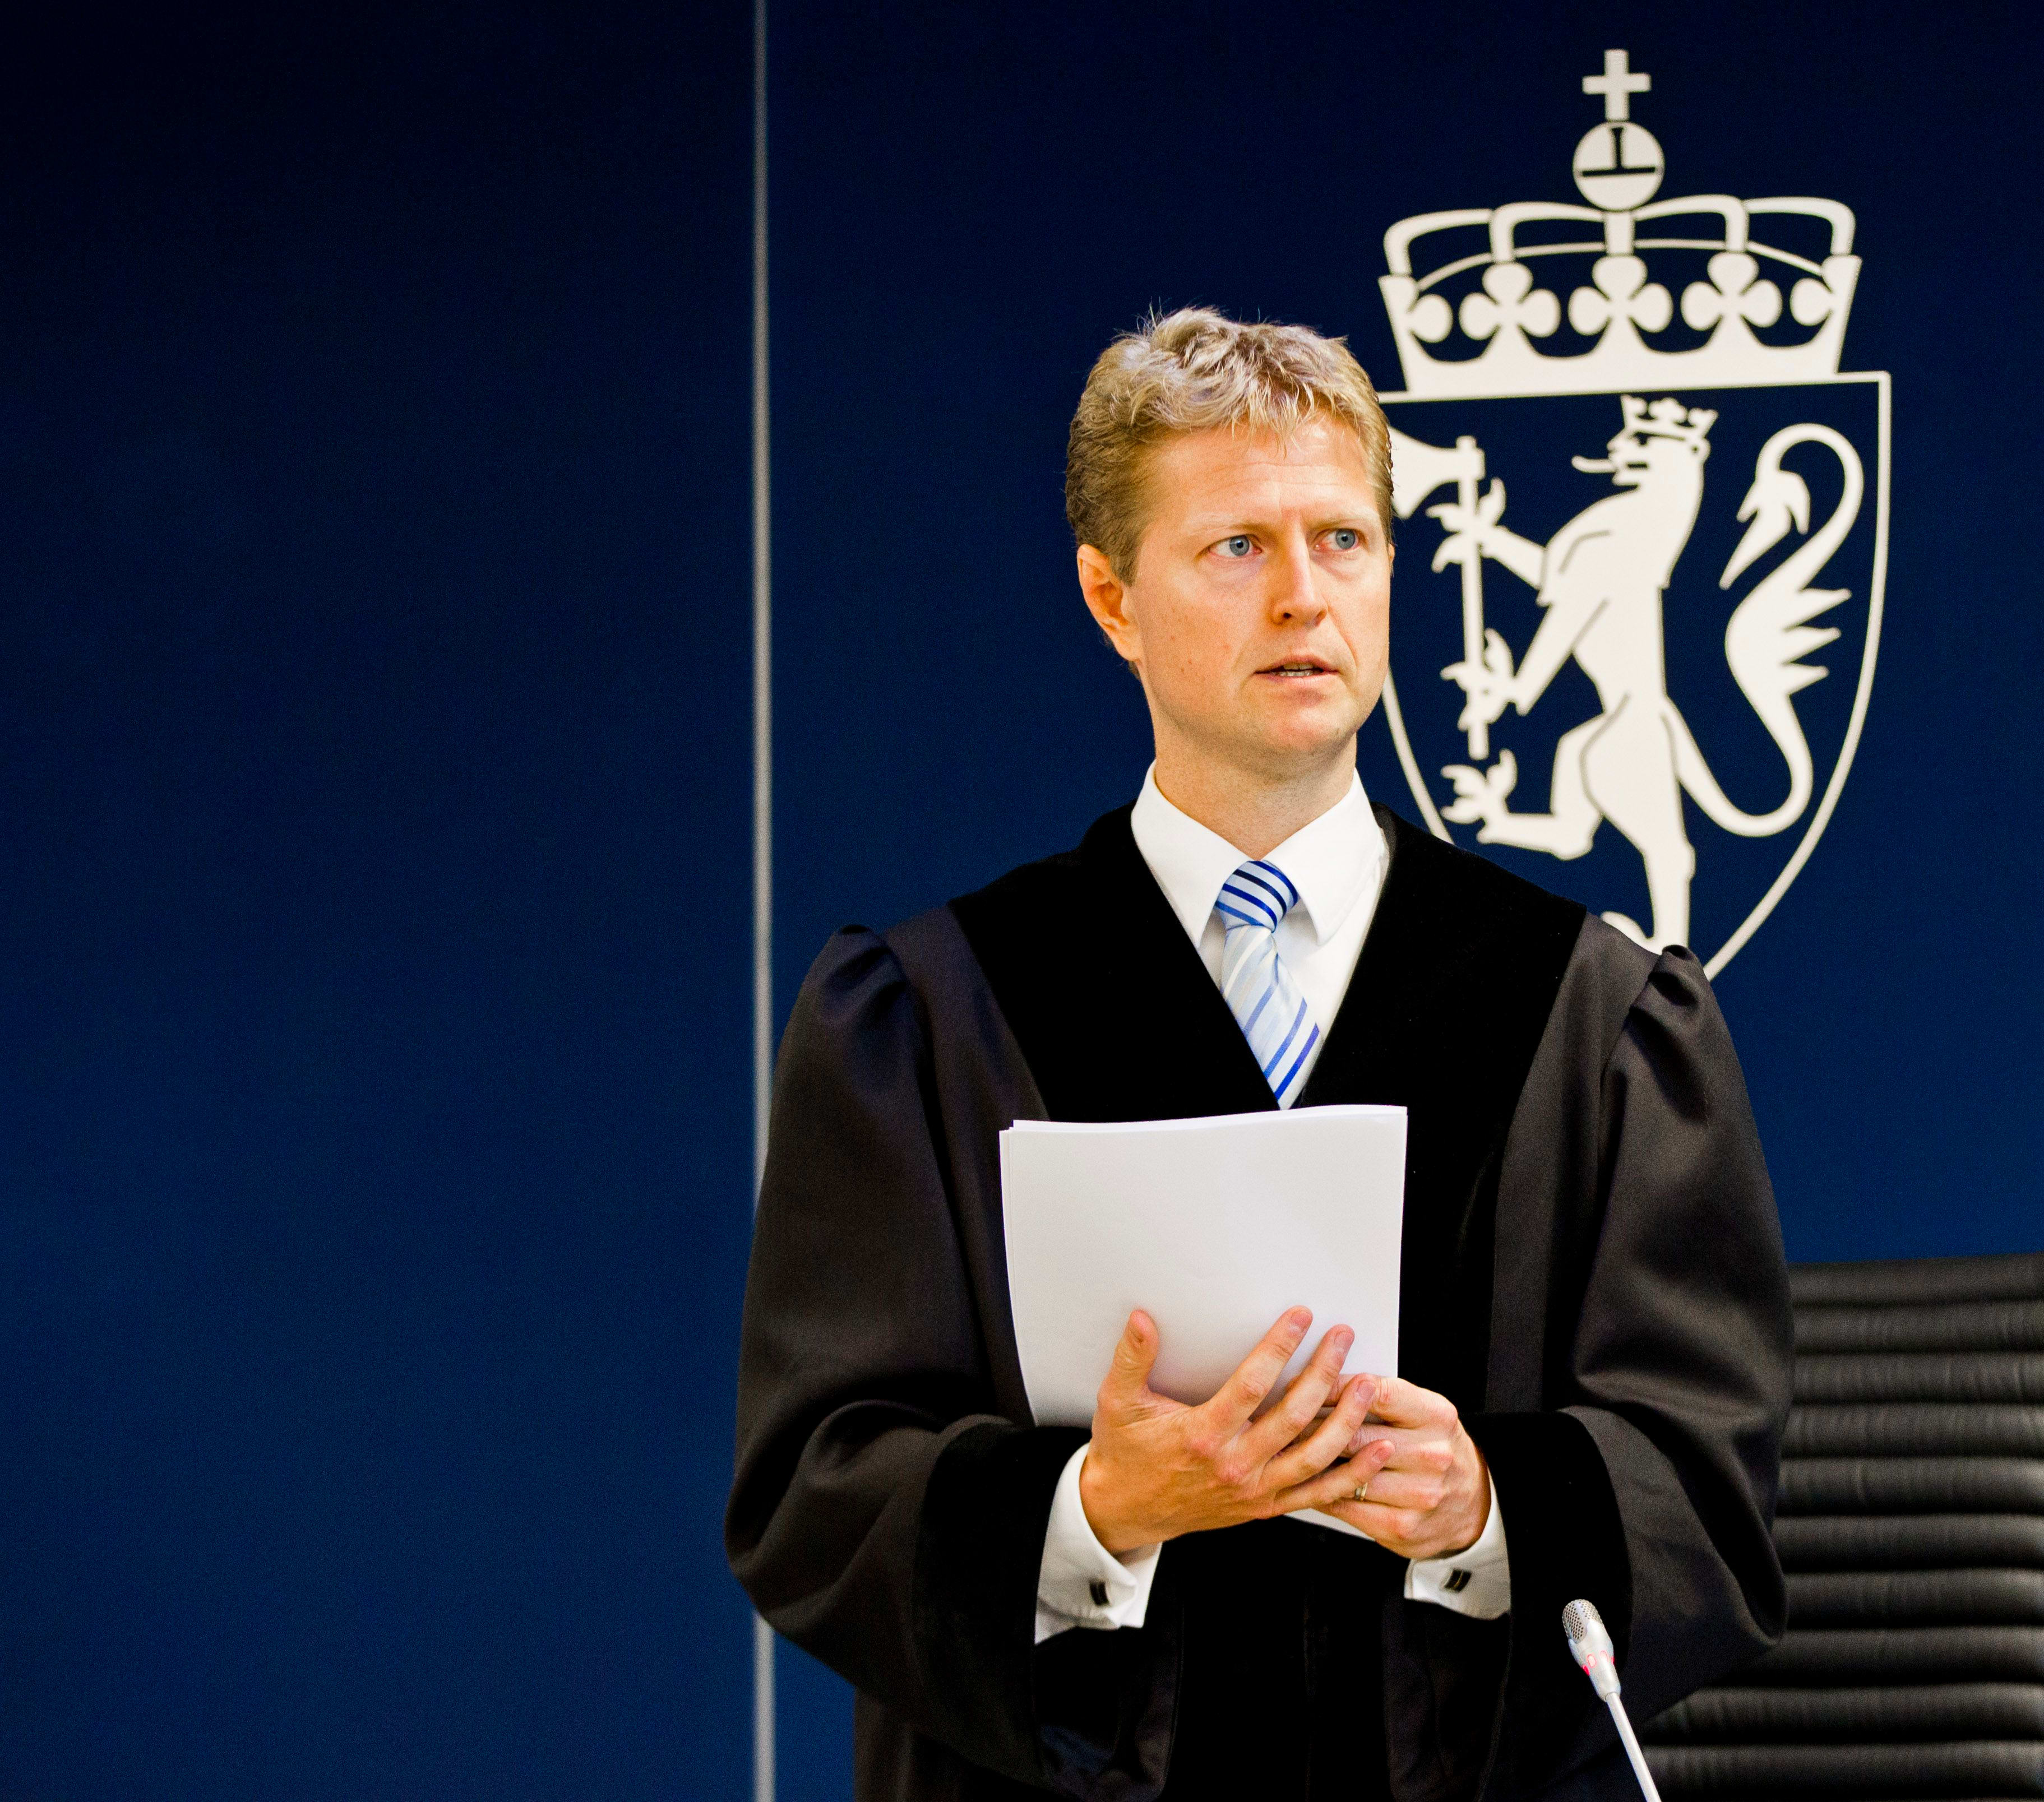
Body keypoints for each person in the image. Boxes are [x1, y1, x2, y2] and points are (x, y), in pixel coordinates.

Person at [726, 309, 1790, 1801]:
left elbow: (1705, 1483)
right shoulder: (932, 1015)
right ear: (1111, 598)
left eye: (1343, 541)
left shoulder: (1594, 1016)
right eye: (1237, 548)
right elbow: (815, 1486)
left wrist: (1484, 1505)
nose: (1304, 596)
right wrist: (1095, 1507)